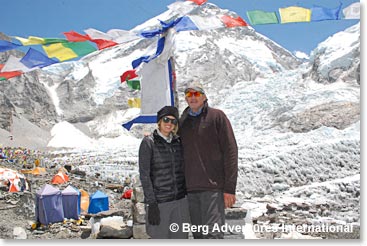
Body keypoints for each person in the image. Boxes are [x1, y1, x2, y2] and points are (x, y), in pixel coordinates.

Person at [178, 82, 238, 239]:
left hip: (213, 189)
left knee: (213, 235)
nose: (192, 97)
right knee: (198, 235)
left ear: (204, 97)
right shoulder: (182, 122)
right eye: (188, 94)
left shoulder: (217, 117)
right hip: (190, 190)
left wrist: (229, 189)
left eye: (196, 94)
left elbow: (230, 152)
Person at [139, 106, 190, 239]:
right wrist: (152, 204)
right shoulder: (148, 143)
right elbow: (145, 175)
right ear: (159, 121)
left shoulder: (178, 142)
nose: (169, 124)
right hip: (160, 203)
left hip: (180, 201)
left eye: (173, 121)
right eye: (166, 119)